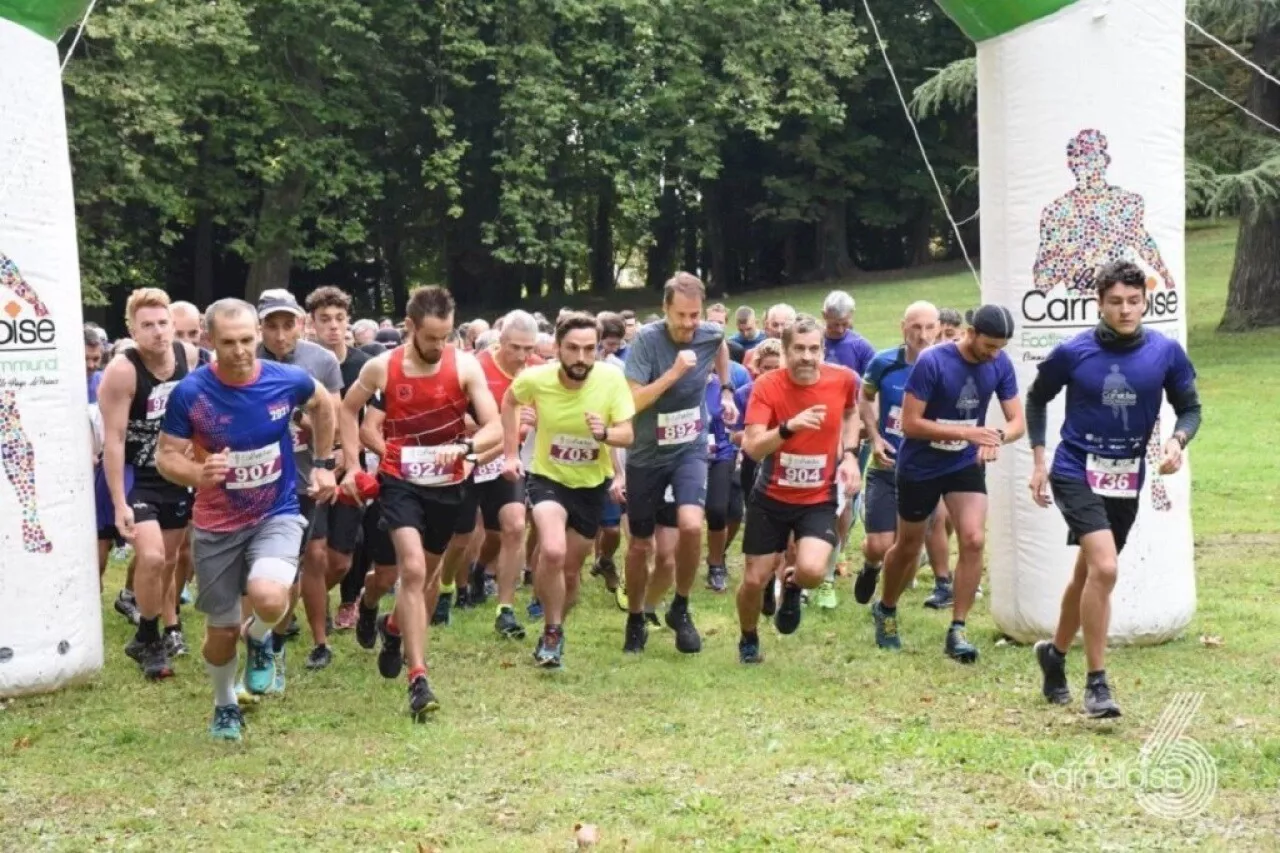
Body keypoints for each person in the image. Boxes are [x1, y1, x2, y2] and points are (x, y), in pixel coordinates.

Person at [157, 298, 337, 741]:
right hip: (217, 525)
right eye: (228, 342)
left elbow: (324, 404)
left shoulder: (286, 380)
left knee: (271, 598)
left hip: (275, 511)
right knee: (219, 633)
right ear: (208, 340)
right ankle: (224, 706)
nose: (239, 351)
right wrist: (199, 473)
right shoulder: (192, 393)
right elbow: (165, 456)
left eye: (246, 340)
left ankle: (258, 638)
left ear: (257, 336)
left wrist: (324, 461)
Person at [1027, 260, 1201, 719]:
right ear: (1099, 304)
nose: (1125, 310)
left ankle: (1055, 655)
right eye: (1115, 302)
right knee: (1105, 568)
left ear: (1145, 301)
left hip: (1125, 476)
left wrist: (1177, 440)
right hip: (1075, 469)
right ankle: (1097, 684)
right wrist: (1040, 459)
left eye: (1133, 301)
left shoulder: (1165, 352)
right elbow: (1036, 398)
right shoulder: (1074, 352)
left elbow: (1190, 409)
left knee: (1088, 573)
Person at [338, 286, 502, 720]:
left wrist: (467, 450)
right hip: (399, 480)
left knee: (426, 576)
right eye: (431, 337)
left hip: (447, 483)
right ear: (410, 327)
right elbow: (346, 409)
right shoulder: (381, 367)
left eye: (446, 336)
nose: (439, 345)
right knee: (410, 569)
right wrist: (355, 465)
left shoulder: (464, 366)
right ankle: (419, 679)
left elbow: (496, 427)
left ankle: (392, 627)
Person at [871, 305, 1026, 663]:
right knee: (908, 546)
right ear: (970, 332)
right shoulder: (933, 361)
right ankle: (887, 608)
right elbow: (910, 424)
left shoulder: (999, 363)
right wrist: (967, 432)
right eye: (988, 345)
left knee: (973, 538)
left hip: (963, 461)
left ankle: (957, 628)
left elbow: (1017, 420)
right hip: (920, 464)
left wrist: (996, 437)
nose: (993, 354)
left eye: (1000, 347)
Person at [501, 313, 635, 667]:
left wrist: (604, 434)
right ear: (558, 348)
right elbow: (509, 402)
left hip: (591, 485)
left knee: (571, 573)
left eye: (589, 349)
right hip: (548, 478)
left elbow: (627, 434)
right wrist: (511, 453)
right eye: (573, 349)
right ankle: (552, 630)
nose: (581, 357)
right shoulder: (536, 379)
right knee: (554, 551)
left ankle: (555, 624)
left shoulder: (611, 379)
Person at [620, 272, 735, 654]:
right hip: (646, 455)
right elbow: (632, 402)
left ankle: (681, 607)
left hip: (689, 447)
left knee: (690, 525)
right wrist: (675, 373)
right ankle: (635, 616)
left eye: (694, 315)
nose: (688, 324)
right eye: (680, 315)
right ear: (664, 310)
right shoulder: (646, 342)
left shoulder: (708, 333)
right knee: (642, 547)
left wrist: (727, 387)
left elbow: (720, 346)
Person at [737, 315, 861, 662]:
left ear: (823, 350)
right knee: (754, 579)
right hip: (771, 496)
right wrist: (787, 428)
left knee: (812, 571)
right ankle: (748, 638)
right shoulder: (768, 386)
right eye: (799, 349)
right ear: (786, 349)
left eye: (814, 349)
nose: (807, 357)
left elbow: (852, 413)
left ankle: (791, 586)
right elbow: (753, 447)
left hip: (817, 497)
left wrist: (849, 455)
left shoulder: (843, 380)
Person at [99, 288, 202, 678]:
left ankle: (145, 637)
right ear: (132, 329)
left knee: (171, 560)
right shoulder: (123, 371)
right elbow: (114, 439)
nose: (157, 332)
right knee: (153, 556)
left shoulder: (186, 356)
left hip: (172, 471)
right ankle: (149, 635)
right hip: (134, 475)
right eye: (147, 325)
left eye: (163, 323)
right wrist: (118, 502)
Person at [256, 289, 344, 678]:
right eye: (271, 326)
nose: (279, 335)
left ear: (300, 324)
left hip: (308, 475)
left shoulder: (320, 360)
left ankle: (320, 641)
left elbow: (334, 419)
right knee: (275, 563)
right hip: (260, 477)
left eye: (287, 325)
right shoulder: (245, 358)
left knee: (316, 556)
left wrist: (308, 427)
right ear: (260, 327)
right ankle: (273, 636)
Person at [854, 302, 954, 610]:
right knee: (880, 545)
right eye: (916, 328)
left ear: (939, 328)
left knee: (926, 528)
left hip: (927, 464)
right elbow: (865, 395)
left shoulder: (949, 365)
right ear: (903, 328)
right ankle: (871, 566)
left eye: (929, 328)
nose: (923, 336)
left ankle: (932, 588)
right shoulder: (883, 362)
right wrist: (874, 436)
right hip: (887, 463)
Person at [461, 310, 541, 640]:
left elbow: (534, 420)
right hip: (469, 457)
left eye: (528, 348)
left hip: (508, 460)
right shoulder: (476, 366)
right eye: (515, 347)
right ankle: (457, 587)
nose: (522, 356)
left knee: (511, 527)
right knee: (463, 533)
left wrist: (520, 426)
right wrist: (499, 425)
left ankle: (504, 607)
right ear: (500, 340)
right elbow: (461, 422)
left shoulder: (538, 370)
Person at [303, 287, 372, 642]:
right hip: (311, 465)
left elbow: (371, 417)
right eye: (324, 320)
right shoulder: (304, 362)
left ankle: (320, 597)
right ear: (311, 324)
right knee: (313, 550)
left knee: (341, 558)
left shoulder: (364, 365)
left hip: (352, 465)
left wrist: (351, 455)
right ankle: (315, 609)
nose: (333, 327)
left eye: (340, 319)